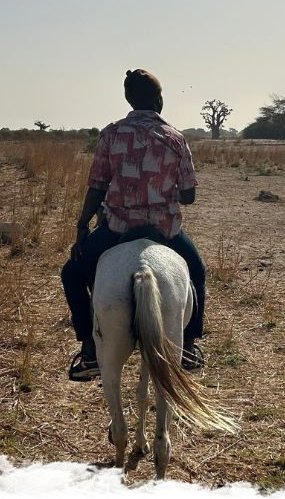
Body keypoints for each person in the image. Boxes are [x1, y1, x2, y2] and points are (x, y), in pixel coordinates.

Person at [60, 69, 207, 382]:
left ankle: (89, 348)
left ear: (128, 98)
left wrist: (82, 225)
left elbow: (97, 185)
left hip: (118, 228)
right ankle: (191, 345)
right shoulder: (176, 137)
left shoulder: (111, 134)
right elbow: (189, 196)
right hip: (165, 230)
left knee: (72, 273)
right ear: (158, 99)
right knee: (197, 271)